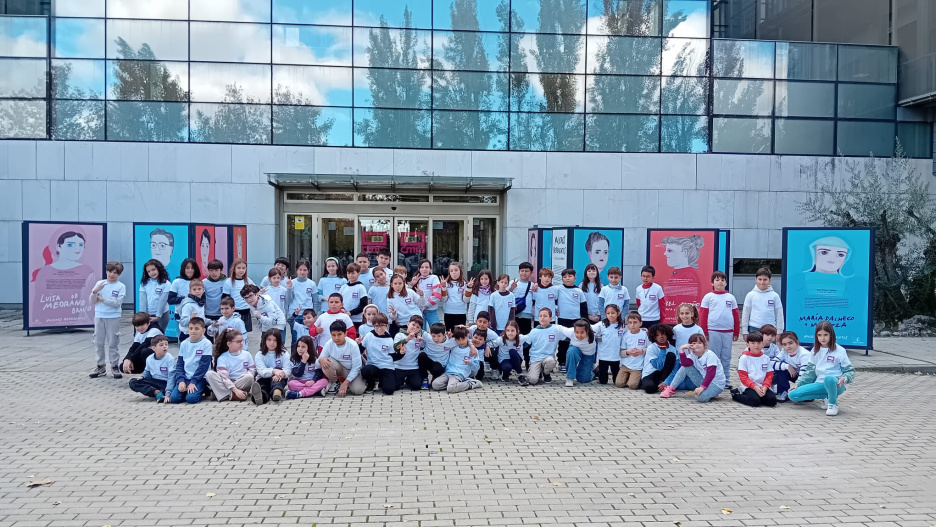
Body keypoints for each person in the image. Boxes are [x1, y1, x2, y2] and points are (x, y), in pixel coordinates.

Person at [29, 228, 98, 326]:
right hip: (48, 318)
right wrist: (36, 319)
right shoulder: (44, 271)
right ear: (58, 247)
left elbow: (89, 301)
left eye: (81, 245)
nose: (77, 249)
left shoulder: (87, 271)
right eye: (70, 245)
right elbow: (38, 298)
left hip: (77, 319)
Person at [788, 321, 856, 416]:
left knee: (829, 379)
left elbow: (850, 371)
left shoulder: (840, 350)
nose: (822, 338)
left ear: (831, 335)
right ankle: (827, 396)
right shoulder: (814, 350)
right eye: (819, 335)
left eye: (825, 335)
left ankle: (833, 404)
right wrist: (799, 384)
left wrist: (844, 379)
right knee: (793, 395)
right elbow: (810, 371)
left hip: (836, 384)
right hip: (820, 383)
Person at [699, 270, 739, 389]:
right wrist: (705, 331)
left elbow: (736, 316)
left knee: (726, 357)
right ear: (712, 283)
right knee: (713, 356)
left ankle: (726, 380)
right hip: (713, 331)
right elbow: (703, 315)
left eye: (722, 280)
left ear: (726, 282)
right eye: (717, 280)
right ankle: (713, 380)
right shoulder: (708, 297)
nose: (720, 282)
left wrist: (736, 331)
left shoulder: (731, 297)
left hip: (728, 332)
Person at [659, 333, 726, 403]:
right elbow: (684, 364)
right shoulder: (692, 355)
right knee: (685, 367)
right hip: (704, 381)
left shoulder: (710, 355)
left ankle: (711, 392)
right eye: (694, 343)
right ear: (690, 346)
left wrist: (702, 387)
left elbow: (711, 373)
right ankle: (670, 389)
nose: (696, 345)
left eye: (699, 343)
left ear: (704, 345)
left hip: (716, 384)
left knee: (700, 397)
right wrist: (682, 349)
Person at [88, 261, 126, 379]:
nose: (112, 274)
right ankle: (100, 366)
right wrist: (95, 291)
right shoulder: (100, 283)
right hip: (99, 316)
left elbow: (117, 303)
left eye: (115, 272)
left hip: (113, 316)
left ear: (119, 274)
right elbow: (92, 301)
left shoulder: (121, 286)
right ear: (106, 271)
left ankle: (114, 365)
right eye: (110, 271)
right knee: (98, 342)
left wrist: (103, 300)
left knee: (113, 342)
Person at [206, 328, 264, 404]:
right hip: (227, 383)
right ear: (229, 344)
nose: (241, 343)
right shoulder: (223, 357)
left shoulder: (247, 354)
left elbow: (253, 370)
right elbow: (224, 377)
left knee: (249, 377)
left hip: (241, 382)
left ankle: (222, 394)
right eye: (238, 342)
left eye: (242, 341)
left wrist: (247, 374)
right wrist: (234, 390)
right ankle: (234, 394)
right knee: (209, 374)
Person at [169, 317, 213, 404]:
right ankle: (187, 390)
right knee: (174, 399)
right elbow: (180, 364)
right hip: (186, 377)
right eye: (191, 328)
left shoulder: (206, 343)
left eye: (197, 329)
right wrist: (181, 380)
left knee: (191, 399)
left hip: (199, 378)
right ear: (188, 330)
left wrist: (193, 382)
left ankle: (204, 388)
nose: (193, 331)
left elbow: (203, 366)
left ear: (203, 330)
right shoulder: (184, 343)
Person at [318, 320, 366, 397]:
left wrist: (346, 383)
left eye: (339, 334)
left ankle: (349, 383)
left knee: (358, 390)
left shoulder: (353, 345)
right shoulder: (329, 344)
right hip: (338, 368)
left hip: (351, 370)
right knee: (326, 362)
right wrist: (320, 360)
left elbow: (357, 367)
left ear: (345, 334)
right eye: (333, 335)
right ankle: (335, 382)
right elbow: (317, 363)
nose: (336, 338)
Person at [519, 308, 565, 386]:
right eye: (540, 316)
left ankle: (546, 373)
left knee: (551, 361)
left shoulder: (555, 330)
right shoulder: (534, 331)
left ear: (550, 318)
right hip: (535, 359)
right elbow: (525, 344)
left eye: (545, 316)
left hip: (548, 358)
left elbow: (566, 338)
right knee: (533, 380)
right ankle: (538, 372)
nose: (542, 318)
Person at [731, 331, 777, 408]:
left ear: (763, 344)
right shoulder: (744, 358)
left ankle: (759, 396)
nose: (756, 345)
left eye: (759, 343)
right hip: (749, 386)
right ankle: (736, 395)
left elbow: (769, 375)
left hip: (762, 386)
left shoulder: (766, 358)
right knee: (754, 401)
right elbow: (743, 377)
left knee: (772, 401)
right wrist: (754, 387)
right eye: (753, 343)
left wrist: (765, 387)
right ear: (747, 344)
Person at [430, 326, 482, 393]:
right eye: (458, 339)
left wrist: (470, 363)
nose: (461, 341)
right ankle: (454, 385)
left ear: (467, 336)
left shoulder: (473, 351)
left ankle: (471, 383)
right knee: (435, 385)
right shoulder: (453, 346)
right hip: (448, 372)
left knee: (451, 389)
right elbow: (446, 338)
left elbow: (477, 367)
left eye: (463, 339)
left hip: (460, 373)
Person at [556, 268, 588, 371]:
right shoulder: (558, 289)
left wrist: (584, 320)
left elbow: (583, 306)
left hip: (576, 321)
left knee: (576, 342)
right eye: (565, 277)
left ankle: (575, 362)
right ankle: (561, 362)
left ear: (575, 278)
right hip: (562, 320)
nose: (567, 278)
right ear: (562, 279)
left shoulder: (579, 291)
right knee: (563, 342)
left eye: (570, 276)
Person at [359, 313, 398, 395]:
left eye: (382, 325)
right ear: (373, 325)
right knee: (365, 370)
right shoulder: (369, 336)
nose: (379, 328)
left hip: (386, 366)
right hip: (373, 365)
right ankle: (371, 383)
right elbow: (360, 350)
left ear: (387, 325)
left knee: (389, 390)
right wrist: (358, 344)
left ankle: (382, 382)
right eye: (377, 326)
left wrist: (401, 353)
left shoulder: (389, 339)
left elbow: (393, 356)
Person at [128, 335, 174, 402]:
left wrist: (168, 393)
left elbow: (171, 377)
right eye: (161, 345)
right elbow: (147, 372)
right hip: (154, 380)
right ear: (153, 348)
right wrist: (142, 377)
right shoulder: (149, 358)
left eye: (166, 344)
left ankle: (161, 393)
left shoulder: (170, 358)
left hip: (165, 382)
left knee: (168, 390)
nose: (164, 346)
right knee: (133, 382)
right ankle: (156, 392)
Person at [741, 267, 784, 338]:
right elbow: (746, 314)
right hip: (754, 328)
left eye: (765, 279)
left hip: (771, 329)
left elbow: (779, 314)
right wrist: (744, 331)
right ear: (756, 280)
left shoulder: (775, 296)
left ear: (770, 280)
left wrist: (779, 331)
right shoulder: (750, 295)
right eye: (760, 279)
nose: (762, 282)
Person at [287, 259, 319, 351]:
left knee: (309, 338)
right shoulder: (292, 282)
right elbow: (289, 300)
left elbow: (315, 301)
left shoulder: (311, 283)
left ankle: (309, 357)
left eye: (305, 270)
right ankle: (294, 357)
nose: (302, 272)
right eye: (300, 269)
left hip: (308, 315)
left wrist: (314, 315)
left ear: (308, 271)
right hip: (295, 315)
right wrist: (289, 288)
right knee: (295, 339)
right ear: (296, 270)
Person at [558, 319, 599, 387]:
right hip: (575, 350)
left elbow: (603, 325)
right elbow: (559, 328)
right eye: (577, 332)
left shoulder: (594, 329)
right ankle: (570, 378)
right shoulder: (570, 331)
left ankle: (594, 372)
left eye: (582, 332)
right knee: (571, 351)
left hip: (588, 354)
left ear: (587, 331)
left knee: (583, 379)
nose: (579, 335)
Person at [393, 315, 429, 392]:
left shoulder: (419, 338)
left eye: (418, 327)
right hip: (399, 366)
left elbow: (427, 345)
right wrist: (407, 339)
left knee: (416, 386)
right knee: (395, 386)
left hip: (413, 367)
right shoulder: (399, 335)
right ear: (408, 324)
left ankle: (409, 380)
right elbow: (396, 347)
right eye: (413, 325)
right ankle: (401, 380)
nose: (414, 328)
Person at [772, 331, 811, 402]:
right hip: (796, 374)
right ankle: (783, 393)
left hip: (808, 378)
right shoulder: (784, 351)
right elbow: (771, 364)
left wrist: (797, 385)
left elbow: (805, 374)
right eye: (784, 344)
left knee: (799, 396)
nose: (788, 346)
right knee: (781, 369)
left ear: (797, 342)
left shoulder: (804, 354)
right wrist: (787, 366)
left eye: (790, 343)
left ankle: (809, 394)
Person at [639, 324, 677, 394]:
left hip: (665, 375)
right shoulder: (651, 347)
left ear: (667, 335)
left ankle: (662, 383)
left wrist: (666, 382)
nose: (661, 337)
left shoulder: (673, 349)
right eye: (657, 335)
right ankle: (657, 386)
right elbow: (659, 367)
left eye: (663, 334)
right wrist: (662, 351)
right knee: (649, 388)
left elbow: (675, 368)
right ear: (654, 337)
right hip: (650, 373)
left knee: (671, 355)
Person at [616, 311, 648, 389]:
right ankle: (629, 377)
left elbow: (650, 349)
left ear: (640, 323)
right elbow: (621, 352)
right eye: (630, 322)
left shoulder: (645, 334)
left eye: (635, 322)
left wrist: (642, 351)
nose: (632, 325)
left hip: (638, 366)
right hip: (626, 364)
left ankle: (634, 379)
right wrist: (628, 352)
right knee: (619, 384)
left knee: (633, 385)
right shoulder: (625, 335)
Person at [255, 328, 289, 402]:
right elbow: (261, 371)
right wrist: (274, 371)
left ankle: (277, 392)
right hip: (263, 378)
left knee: (277, 382)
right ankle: (260, 397)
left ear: (279, 341)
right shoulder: (259, 354)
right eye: (269, 340)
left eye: (275, 340)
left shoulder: (284, 353)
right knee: (263, 386)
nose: (272, 343)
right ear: (265, 340)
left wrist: (280, 374)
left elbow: (287, 370)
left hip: (279, 378)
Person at [594, 304, 624, 385]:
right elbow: (591, 329)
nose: (610, 315)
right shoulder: (601, 324)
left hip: (616, 356)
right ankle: (596, 372)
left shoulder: (622, 325)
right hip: (603, 355)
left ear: (618, 313)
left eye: (613, 313)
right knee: (603, 381)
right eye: (608, 313)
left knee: (616, 381)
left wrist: (641, 330)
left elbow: (630, 333)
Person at [138, 259, 171, 332]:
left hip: (162, 315)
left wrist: (158, 316)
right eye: (149, 271)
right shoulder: (144, 283)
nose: (151, 273)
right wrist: (143, 316)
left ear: (159, 269)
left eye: (153, 270)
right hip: (147, 315)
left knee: (158, 335)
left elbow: (163, 300)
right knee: (144, 335)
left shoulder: (166, 283)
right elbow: (142, 300)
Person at [222, 259, 255, 332]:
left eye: (243, 268)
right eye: (239, 268)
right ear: (234, 269)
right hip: (234, 311)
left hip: (246, 311)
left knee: (245, 333)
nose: (241, 270)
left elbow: (256, 292)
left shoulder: (248, 281)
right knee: (233, 333)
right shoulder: (229, 282)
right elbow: (225, 298)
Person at [420, 322, 454, 388]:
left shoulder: (450, 341)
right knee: (421, 355)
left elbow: (464, 340)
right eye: (434, 336)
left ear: (444, 335)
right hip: (428, 360)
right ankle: (425, 378)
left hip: (440, 365)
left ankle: (435, 378)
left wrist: (472, 346)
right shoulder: (427, 337)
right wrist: (418, 336)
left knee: (437, 371)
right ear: (430, 334)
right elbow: (416, 330)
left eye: (439, 336)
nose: (436, 338)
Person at [413, 259, 442, 328]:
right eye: (422, 267)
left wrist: (426, 306)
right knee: (421, 331)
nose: (424, 269)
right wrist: (412, 284)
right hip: (419, 311)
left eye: (427, 267)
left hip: (431, 310)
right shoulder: (416, 279)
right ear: (419, 269)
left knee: (437, 329)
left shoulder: (434, 278)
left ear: (430, 269)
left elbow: (437, 295)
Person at [339, 263, 369, 329]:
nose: (350, 275)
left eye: (353, 273)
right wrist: (342, 309)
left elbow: (363, 305)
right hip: (344, 318)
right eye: (348, 273)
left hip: (357, 320)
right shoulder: (343, 287)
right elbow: (339, 301)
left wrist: (350, 313)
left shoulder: (361, 287)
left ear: (358, 273)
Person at [440, 262, 468, 331]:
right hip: (448, 312)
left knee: (460, 334)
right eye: (451, 271)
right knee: (449, 333)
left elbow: (466, 300)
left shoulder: (465, 284)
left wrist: (469, 288)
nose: (454, 273)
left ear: (460, 271)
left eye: (456, 270)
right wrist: (443, 287)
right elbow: (443, 299)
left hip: (461, 312)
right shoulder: (446, 283)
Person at [177, 278, 206, 343]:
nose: (197, 291)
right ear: (190, 291)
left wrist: (212, 322)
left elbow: (201, 318)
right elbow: (182, 322)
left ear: (203, 290)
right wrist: (190, 318)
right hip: (187, 335)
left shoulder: (201, 303)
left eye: (199, 289)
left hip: (198, 334)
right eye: (194, 289)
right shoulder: (188, 305)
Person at [511, 262, 535, 335]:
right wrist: (511, 289)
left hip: (527, 316)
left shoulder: (533, 285)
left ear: (531, 272)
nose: (524, 273)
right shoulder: (512, 283)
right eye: (522, 271)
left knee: (525, 337)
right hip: (513, 315)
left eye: (527, 271)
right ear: (519, 271)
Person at [203, 259, 227, 323]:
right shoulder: (204, 282)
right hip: (207, 314)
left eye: (216, 270)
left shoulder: (226, 282)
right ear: (208, 271)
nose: (214, 273)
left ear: (221, 270)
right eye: (211, 270)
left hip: (222, 313)